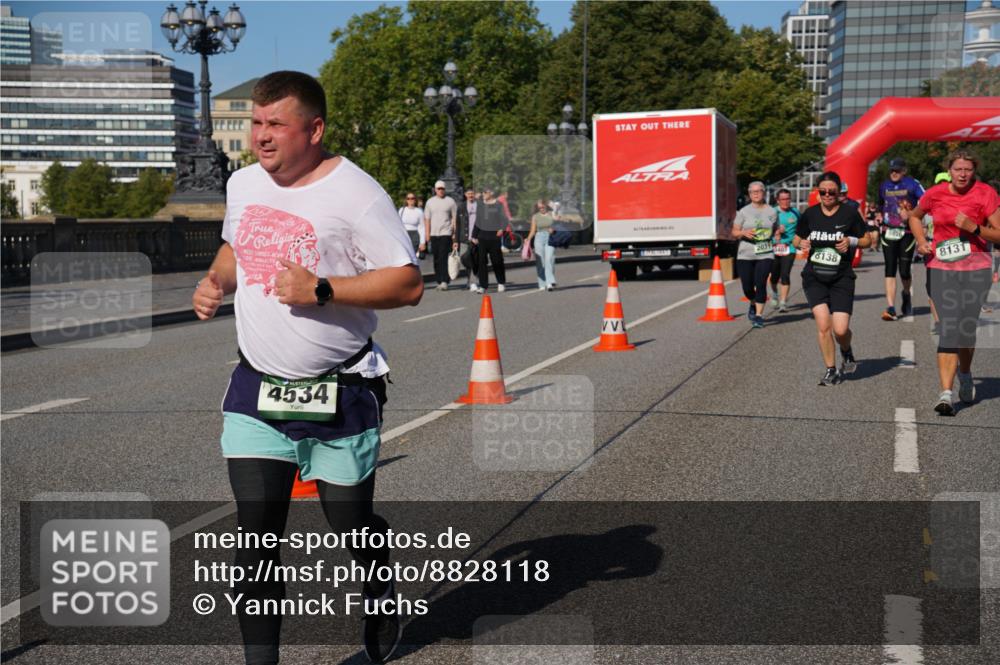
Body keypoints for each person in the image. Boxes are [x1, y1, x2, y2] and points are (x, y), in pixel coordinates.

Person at [191, 71, 422, 665]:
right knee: (256, 540)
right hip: (256, 392)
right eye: (255, 123)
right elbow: (236, 247)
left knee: (348, 526)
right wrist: (217, 279)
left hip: (339, 392)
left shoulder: (357, 194)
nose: (261, 136)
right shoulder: (243, 183)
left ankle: (377, 580)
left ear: (314, 130)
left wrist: (322, 288)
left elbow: (408, 283)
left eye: (275, 124)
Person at [907, 149, 1000, 416]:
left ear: (974, 171)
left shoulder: (985, 194)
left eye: (967, 170)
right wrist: (922, 241)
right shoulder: (935, 194)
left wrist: (975, 228)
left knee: (966, 329)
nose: (963, 174)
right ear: (950, 170)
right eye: (958, 169)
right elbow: (915, 216)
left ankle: (967, 373)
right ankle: (945, 394)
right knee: (948, 327)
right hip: (941, 267)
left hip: (976, 268)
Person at [792, 171, 871, 386]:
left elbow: (868, 240)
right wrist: (801, 244)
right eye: (823, 191)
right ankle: (830, 369)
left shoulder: (849, 213)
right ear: (818, 192)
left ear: (839, 192)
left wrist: (852, 241)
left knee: (841, 329)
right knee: (823, 325)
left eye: (832, 192)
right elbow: (796, 238)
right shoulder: (810, 214)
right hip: (814, 276)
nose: (827, 195)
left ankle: (846, 350)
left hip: (841, 278)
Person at [877, 157, 925, 321]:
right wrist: (878, 215)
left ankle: (906, 294)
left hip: (907, 232)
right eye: (892, 170)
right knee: (889, 268)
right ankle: (890, 307)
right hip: (888, 231)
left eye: (897, 170)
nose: (894, 173)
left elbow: (926, 202)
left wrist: (911, 214)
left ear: (904, 171)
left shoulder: (912, 184)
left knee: (904, 270)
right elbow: (880, 204)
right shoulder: (884, 185)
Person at [731, 181, 779, 328]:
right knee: (747, 287)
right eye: (753, 192)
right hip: (746, 252)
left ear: (764, 192)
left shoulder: (772, 211)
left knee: (761, 282)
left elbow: (775, 229)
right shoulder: (743, 212)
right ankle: (752, 302)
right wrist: (744, 232)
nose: (756, 194)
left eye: (759, 191)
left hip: (765, 252)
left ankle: (758, 316)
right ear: (749, 194)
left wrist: (777, 236)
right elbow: (734, 232)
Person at [471, 186, 508, 293]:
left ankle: (501, 282)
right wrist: (474, 236)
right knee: (481, 262)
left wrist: (502, 229)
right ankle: (483, 285)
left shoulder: (498, 204)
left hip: (494, 237)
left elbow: (504, 220)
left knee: (497, 261)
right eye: (482, 192)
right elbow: (478, 221)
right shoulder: (481, 205)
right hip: (482, 237)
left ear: (490, 193)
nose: (483, 194)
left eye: (485, 192)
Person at [768, 188, 800, 312]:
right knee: (774, 276)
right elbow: (762, 229)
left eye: (788, 199)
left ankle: (782, 302)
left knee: (785, 274)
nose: (786, 202)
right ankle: (775, 294)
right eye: (783, 199)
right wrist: (775, 230)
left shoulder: (796, 212)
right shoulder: (771, 212)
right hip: (774, 248)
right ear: (777, 200)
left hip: (789, 248)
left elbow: (802, 228)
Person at [423, 180, 458, 291]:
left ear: (445, 189)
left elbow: (454, 218)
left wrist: (454, 234)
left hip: (445, 233)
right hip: (434, 233)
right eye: (439, 189)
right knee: (436, 258)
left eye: (442, 188)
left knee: (443, 257)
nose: (441, 190)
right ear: (435, 190)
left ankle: (444, 281)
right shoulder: (430, 202)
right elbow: (427, 219)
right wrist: (427, 235)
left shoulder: (450, 201)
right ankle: (439, 280)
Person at [526, 199, 558, 290]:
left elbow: (558, 223)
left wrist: (553, 229)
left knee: (549, 259)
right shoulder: (535, 217)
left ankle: (549, 282)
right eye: (539, 207)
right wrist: (528, 239)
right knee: (540, 262)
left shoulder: (551, 214)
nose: (541, 209)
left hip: (550, 238)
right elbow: (533, 230)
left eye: (542, 207)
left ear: (546, 206)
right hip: (539, 238)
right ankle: (542, 283)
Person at [456, 187, 481, 291]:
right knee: (464, 259)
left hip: (476, 238)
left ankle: (473, 282)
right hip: (464, 238)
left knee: (475, 260)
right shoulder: (461, 206)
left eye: (472, 193)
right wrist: (455, 240)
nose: (471, 195)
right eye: (469, 193)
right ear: (465, 195)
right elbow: (458, 224)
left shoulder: (480, 206)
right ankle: (469, 280)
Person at [397, 191, 426, 258]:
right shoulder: (402, 210)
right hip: (404, 235)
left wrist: (422, 242)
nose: (410, 200)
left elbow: (422, 227)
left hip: (415, 235)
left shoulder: (419, 212)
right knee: (404, 257)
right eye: (408, 198)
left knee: (413, 257)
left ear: (415, 200)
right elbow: (398, 225)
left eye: (412, 198)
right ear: (406, 200)